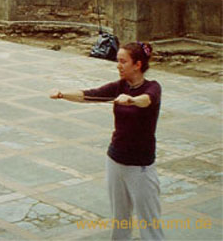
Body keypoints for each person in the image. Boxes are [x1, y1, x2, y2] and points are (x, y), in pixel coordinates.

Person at [50, 42, 164, 240]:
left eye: (123, 61)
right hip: (115, 160)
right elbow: (89, 95)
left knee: (149, 222)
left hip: (140, 166)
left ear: (137, 64)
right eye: (117, 61)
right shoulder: (120, 86)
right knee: (120, 219)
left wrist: (131, 100)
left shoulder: (152, 87)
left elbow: (147, 99)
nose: (118, 65)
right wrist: (62, 94)